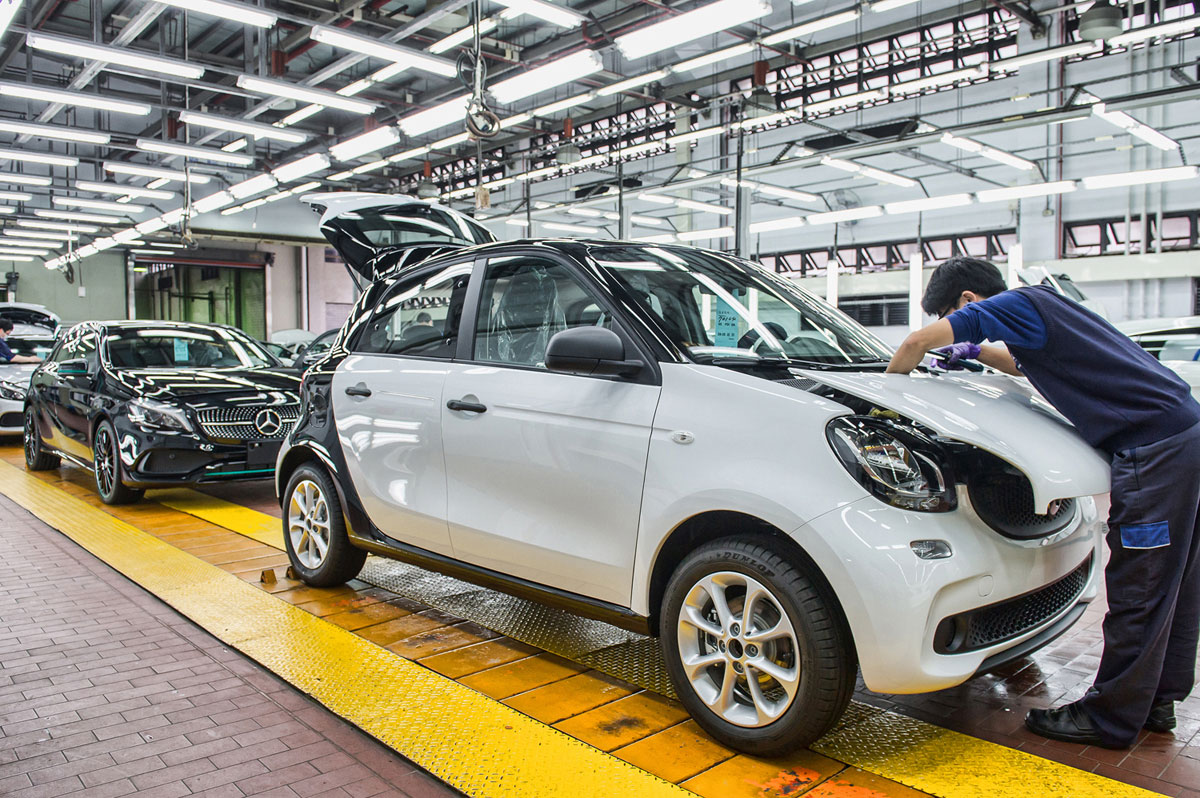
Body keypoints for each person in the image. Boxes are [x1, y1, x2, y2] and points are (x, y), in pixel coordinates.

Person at [886, 256, 1200, 750]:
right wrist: (978, 353)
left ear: (967, 301)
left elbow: (915, 343)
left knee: (1139, 583)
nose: (951, 325)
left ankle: (1110, 718)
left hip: (1155, 452)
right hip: (1182, 437)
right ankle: (1156, 700)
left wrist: (887, 403)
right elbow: (1021, 364)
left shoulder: (1014, 304)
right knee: (1172, 581)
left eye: (950, 315)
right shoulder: (1041, 308)